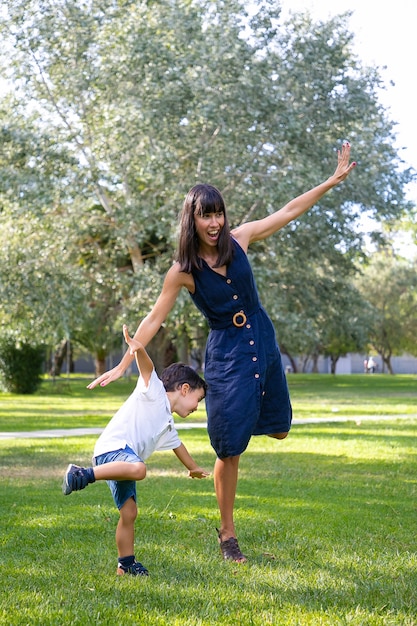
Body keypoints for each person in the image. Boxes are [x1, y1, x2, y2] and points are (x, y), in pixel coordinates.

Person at [88, 142, 356, 563]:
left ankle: (238, 419)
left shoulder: (240, 239)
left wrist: (331, 180)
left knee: (281, 429)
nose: (214, 223)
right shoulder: (182, 271)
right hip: (227, 355)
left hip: (262, 340)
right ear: (191, 219)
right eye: (205, 215)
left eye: (218, 213)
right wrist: (126, 360)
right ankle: (227, 535)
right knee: (228, 448)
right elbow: (154, 319)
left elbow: (286, 212)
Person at [63, 325, 209, 576]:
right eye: (198, 399)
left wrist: (193, 468)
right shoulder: (152, 391)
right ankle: (82, 475)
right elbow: (147, 369)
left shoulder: (168, 423)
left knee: (129, 512)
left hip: (123, 461)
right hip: (114, 451)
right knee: (140, 469)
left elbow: (178, 446)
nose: (197, 406)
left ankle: (126, 564)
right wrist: (139, 348)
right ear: (185, 389)